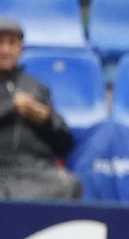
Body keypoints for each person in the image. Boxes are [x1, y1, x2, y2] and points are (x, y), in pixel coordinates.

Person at [0, 16, 78, 200]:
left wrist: (46, 120)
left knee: (70, 184)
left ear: (21, 49)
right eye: (0, 43)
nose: (5, 50)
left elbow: (64, 143)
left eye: (11, 43)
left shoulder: (37, 88)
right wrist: (12, 106)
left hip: (34, 169)